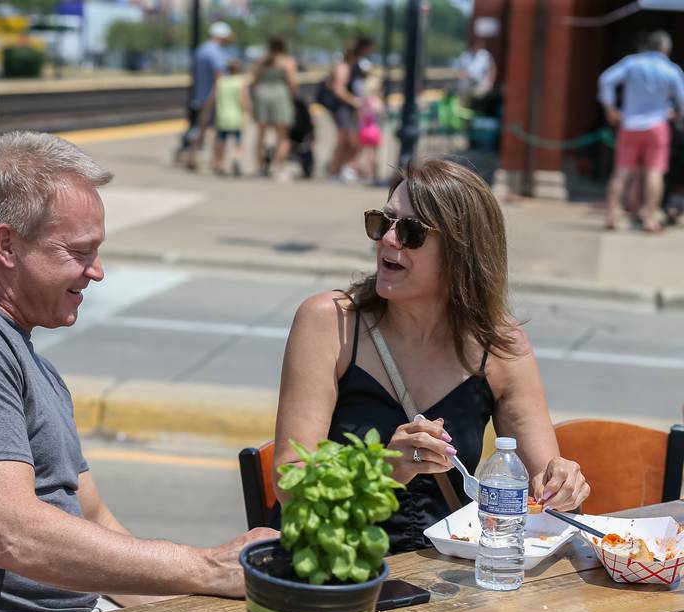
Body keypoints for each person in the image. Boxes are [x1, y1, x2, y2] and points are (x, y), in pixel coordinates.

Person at [0, 131, 275, 612]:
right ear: (6, 244)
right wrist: (206, 568)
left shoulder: (14, 347)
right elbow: (12, 534)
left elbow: (94, 518)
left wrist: (201, 604)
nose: (97, 271)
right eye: (79, 252)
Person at [272, 159, 590, 553]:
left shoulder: (501, 346)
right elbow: (291, 485)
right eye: (382, 222)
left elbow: (542, 479)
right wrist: (381, 471)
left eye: (411, 232)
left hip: (445, 575)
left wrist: (562, 483)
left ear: (461, 253)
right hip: (333, 567)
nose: (388, 239)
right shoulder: (330, 322)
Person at [598, 30, 684, 232]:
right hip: (657, 125)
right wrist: (676, 114)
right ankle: (650, 218)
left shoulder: (632, 63)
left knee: (621, 173)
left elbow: (606, 79)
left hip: (630, 124)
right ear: (666, 49)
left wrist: (610, 108)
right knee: (654, 173)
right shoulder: (671, 70)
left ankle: (612, 215)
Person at [179, 21, 233, 171]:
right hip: (214, 97)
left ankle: (191, 156)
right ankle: (217, 162)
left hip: (200, 96)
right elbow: (219, 77)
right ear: (221, 36)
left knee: (200, 128)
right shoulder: (216, 52)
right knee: (219, 130)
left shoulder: (201, 50)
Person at [250, 36, 299, 181]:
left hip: (262, 95)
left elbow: (254, 80)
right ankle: (278, 168)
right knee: (283, 136)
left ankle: (259, 168)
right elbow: (293, 82)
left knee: (260, 135)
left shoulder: (261, 60)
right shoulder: (287, 61)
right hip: (280, 96)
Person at [327, 36, 375, 181]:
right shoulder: (343, 68)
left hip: (349, 109)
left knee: (352, 142)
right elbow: (338, 89)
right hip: (343, 108)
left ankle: (343, 168)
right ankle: (334, 170)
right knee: (344, 141)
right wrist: (354, 101)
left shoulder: (350, 68)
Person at [203, 58, 250, 176]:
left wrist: (206, 112)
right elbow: (245, 101)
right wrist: (248, 112)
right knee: (238, 141)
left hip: (222, 117)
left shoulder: (220, 82)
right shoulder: (241, 82)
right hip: (236, 117)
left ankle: (220, 164)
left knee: (221, 141)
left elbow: (211, 99)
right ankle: (236, 159)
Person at [454, 38, 496, 110]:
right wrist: (462, 74)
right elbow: (458, 70)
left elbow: (492, 69)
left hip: (481, 85)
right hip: (467, 85)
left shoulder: (485, 55)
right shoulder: (465, 55)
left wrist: (491, 82)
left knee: (479, 103)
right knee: (464, 102)